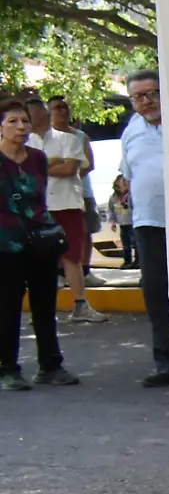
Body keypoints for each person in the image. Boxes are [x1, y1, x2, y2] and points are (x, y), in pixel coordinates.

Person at [0, 99, 78, 389]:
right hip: (6, 244)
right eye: (12, 121)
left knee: (44, 305)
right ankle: (7, 369)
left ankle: (50, 365)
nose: (20, 127)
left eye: (24, 121)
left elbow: (40, 197)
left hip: (40, 240)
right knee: (7, 307)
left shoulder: (37, 158)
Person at [118, 69, 169, 387]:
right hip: (148, 222)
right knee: (156, 291)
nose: (146, 101)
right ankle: (167, 362)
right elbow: (127, 175)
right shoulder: (131, 130)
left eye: (152, 93)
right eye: (138, 97)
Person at [37, 97, 106, 323]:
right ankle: (42, 308)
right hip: (40, 205)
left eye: (65, 106)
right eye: (57, 108)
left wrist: (42, 167)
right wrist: (52, 164)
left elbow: (71, 168)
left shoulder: (73, 138)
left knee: (72, 255)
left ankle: (80, 305)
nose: (63, 111)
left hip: (69, 203)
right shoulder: (27, 141)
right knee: (42, 258)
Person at [108, 175, 136, 268]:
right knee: (125, 244)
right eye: (121, 182)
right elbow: (111, 210)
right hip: (123, 224)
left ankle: (137, 261)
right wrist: (112, 222)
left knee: (135, 243)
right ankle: (127, 261)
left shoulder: (131, 195)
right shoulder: (113, 198)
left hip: (132, 222)